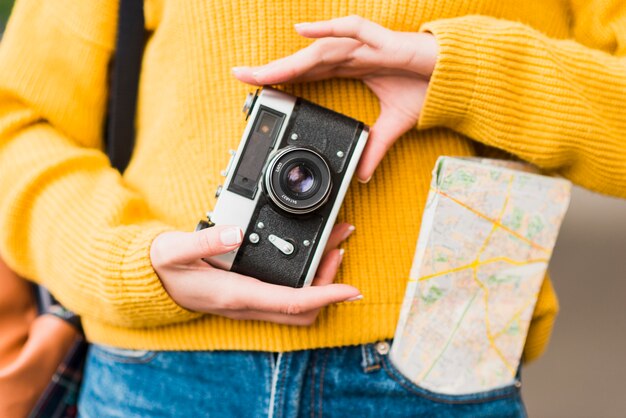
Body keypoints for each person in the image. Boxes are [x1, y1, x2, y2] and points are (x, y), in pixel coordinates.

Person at [0, 0, 625, 416]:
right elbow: (18, 121)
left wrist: (459, 72)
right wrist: (126, 262)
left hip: (442, 360)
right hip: (162, 372)